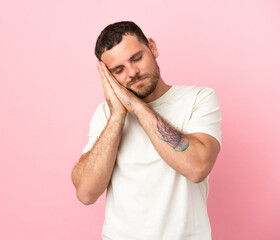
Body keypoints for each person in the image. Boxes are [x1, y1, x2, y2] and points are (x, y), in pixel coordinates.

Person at [71, 21, 221, 240]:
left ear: (152, 47)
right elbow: (85, 193)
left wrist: (138, 107)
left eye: (137, 58)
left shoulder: (199, 99)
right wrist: (117, 116)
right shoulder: (106, 114)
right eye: (118, 70)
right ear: (108, 76)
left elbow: (197, 167)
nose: (132, 72)